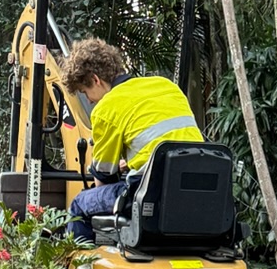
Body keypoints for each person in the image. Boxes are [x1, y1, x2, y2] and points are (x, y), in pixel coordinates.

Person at [60, 37, 202, 239]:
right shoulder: (166, 86)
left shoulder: (106, 108)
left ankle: (80, 260)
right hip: (195, 190)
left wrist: (110, 172)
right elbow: (165, 143)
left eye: (85, 92)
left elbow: (103, 178)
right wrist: (129, 164)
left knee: (80, 205)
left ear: (95, 80)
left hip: (150, 195)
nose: (89, 101)